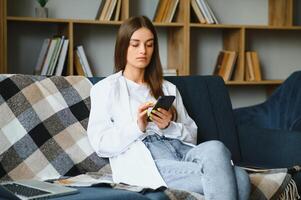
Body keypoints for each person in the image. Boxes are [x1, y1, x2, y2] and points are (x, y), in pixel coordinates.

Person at [87, 15, 251, 199]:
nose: (143, 50)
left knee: (216, 147)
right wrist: (137, 126)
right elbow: (100, 144)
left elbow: (192, 135)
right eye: (136, 44)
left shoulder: (168, 88)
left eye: (149, 44)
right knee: (241, 179)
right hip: (150, 159)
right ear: (123, 46)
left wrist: (169, 126)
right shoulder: (105, 89)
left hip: (180, 151)